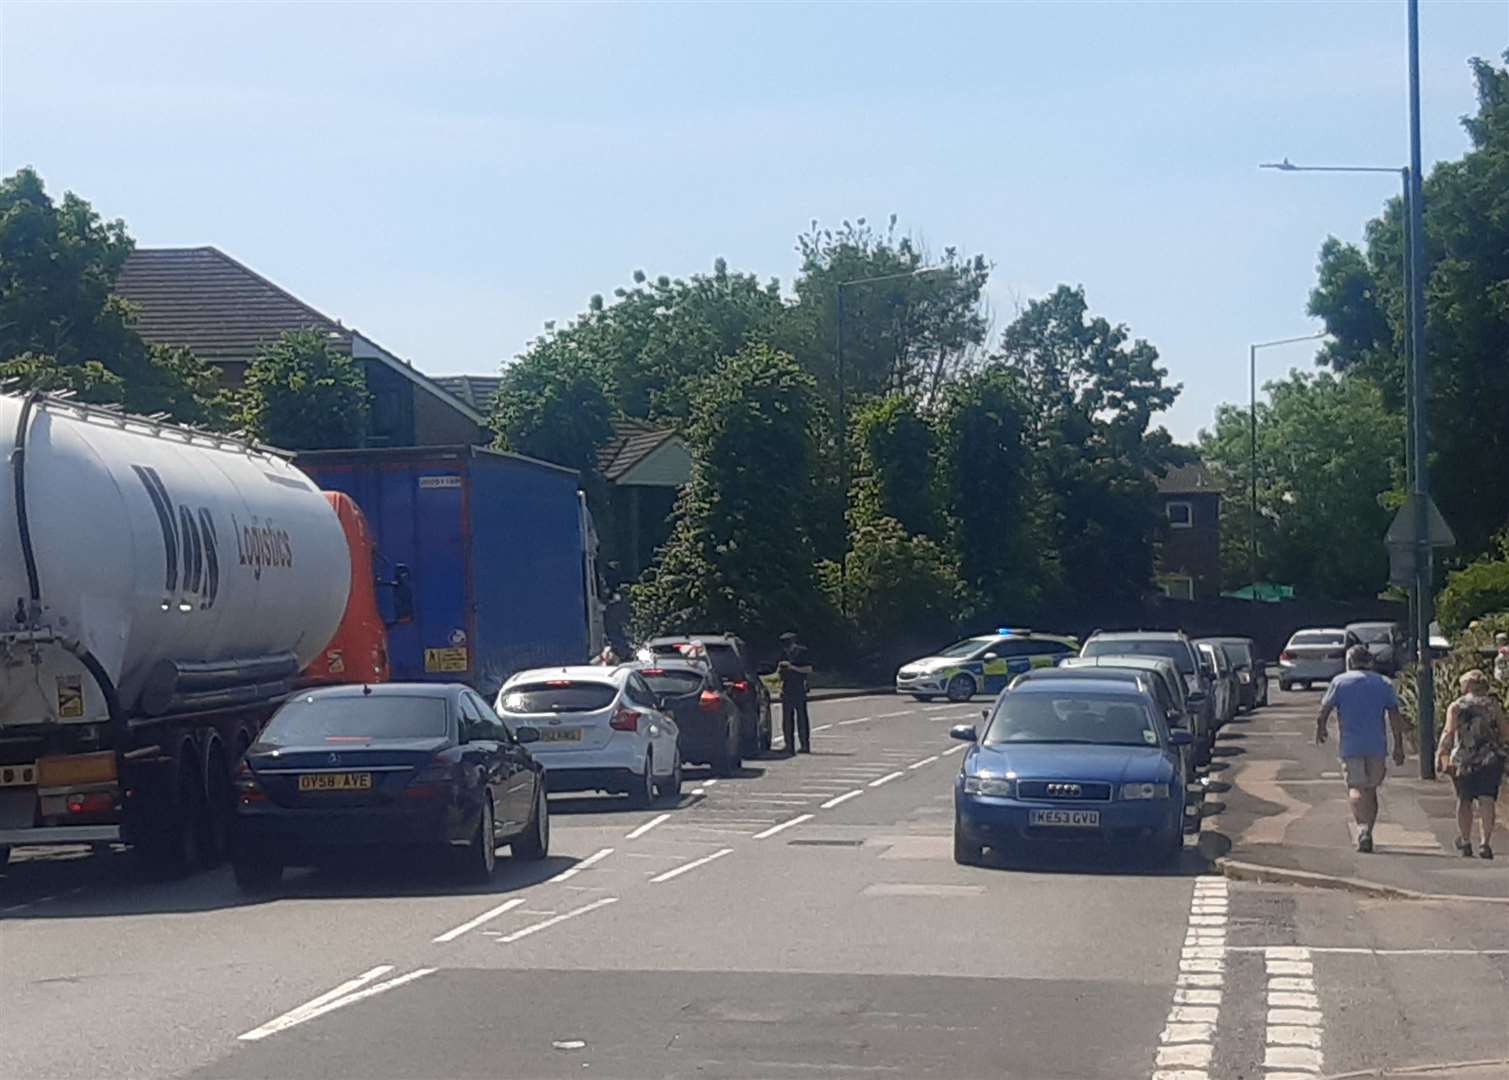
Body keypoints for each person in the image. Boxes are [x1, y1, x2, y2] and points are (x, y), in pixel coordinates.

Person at [1315, 644, 1408, 853]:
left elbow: (1324, 710)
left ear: (1350, 661)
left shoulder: (1340, 682)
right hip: (1377, 744)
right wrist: (1399, 746)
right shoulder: (1383, 683)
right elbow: (1394, 715)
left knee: (1355, 787)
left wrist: (1321, 729)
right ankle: (1369, 831)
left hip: (1350, 744)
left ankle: (1362, 829)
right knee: (1371, 790)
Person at [1435, 669, 1508, 859]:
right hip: (1489, 759)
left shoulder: (1457, 706)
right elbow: (1505, 732)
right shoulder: (1493, 705)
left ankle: (1465, 841)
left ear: (1466, 686)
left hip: (1464, 759)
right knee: (1487, 800)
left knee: (1464, 800)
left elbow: (1449, 732)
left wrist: (1441, 753)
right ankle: (1485, 843)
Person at [778, 631, 813, 755]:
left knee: (801, 718)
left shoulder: (802, 652)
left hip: (799, 688)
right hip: (787, 688)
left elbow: (809, 669)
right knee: (787, 719)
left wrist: (792, 667)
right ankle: (789, 745)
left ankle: (805, 745)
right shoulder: (783, 653)